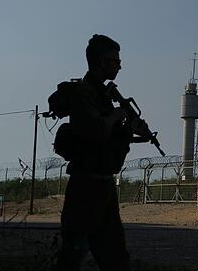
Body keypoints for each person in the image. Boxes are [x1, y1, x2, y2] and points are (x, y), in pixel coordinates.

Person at [58, 34, 147, 271]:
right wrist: (118, 115)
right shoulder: (83, 93)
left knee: (116, 258)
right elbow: (96, 130)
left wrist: (131, 130)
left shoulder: (103, 96)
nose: (119, 66)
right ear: (100, 61)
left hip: (104, 185)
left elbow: (111, 138)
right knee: (73, 255)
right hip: (85, 185)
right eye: (115, 61)